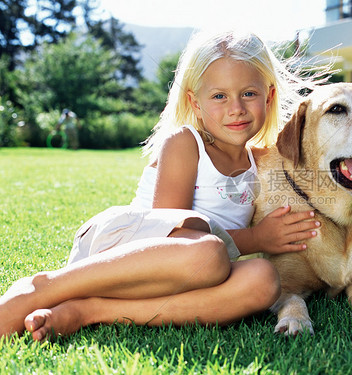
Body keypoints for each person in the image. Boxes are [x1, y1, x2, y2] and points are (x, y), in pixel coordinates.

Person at [0, 30, 324, 341]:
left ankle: (90, 311)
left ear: (268, 96)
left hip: (188, 278)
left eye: (248, 94)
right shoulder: (185, 143)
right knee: (209, 253)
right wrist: (257, 237)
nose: (236, 108)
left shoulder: (261, 160)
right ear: (195, 103)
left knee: (263, 280)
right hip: (129, 256)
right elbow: (169, 230)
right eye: (219, 96)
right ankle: (44, 287)